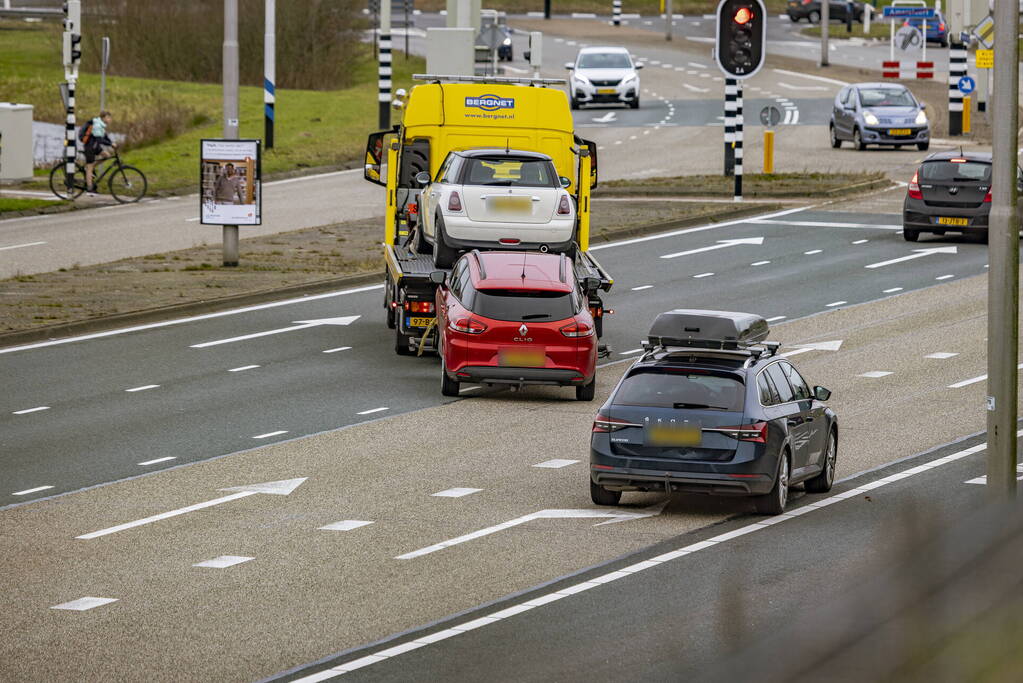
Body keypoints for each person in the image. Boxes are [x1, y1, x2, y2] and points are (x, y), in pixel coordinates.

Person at [83, 111, 114, 194]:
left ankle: (90, 168)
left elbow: (105, 137)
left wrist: (112, 143)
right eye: (108, 117)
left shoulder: (102, 126)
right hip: (90, 146)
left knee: (107, 155)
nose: (110, 119)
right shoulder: (97, 125)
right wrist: (111, 144)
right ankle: (89, 188)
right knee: (89, 167)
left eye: (110, 118)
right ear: (103, 118)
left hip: (95, 146)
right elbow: (99, 139)